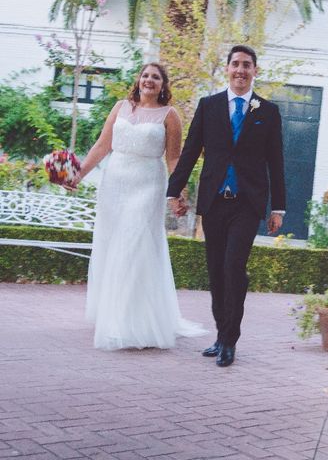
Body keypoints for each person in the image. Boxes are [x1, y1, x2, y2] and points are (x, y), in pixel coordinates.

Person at [69, 63, 207, 350]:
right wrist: (77, 175)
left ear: (163, 85)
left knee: (134, 246)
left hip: (147, 186)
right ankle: (115, 313)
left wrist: (177, 194)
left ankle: (130, 322)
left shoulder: (170, 116)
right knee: (111, 245)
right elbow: (101, 146)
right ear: (138, 80)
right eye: (145, 75)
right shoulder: (120, 106)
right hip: (114, 184)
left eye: (155, 77)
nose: (149, 80)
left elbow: (173, 160)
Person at [167, 45, 286, 367]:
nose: (240, 70)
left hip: (247, 203)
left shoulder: (268, 112)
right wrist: (173, 190)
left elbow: (276, 162)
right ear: (227, 68)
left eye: (247, 65)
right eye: (235, 64)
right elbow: (190, 152)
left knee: (234, 267)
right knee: (217, 271)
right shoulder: (209, 107)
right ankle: (220, 335)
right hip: (214, 202)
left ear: (255, 71)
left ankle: (230, 340)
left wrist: (279, 208)